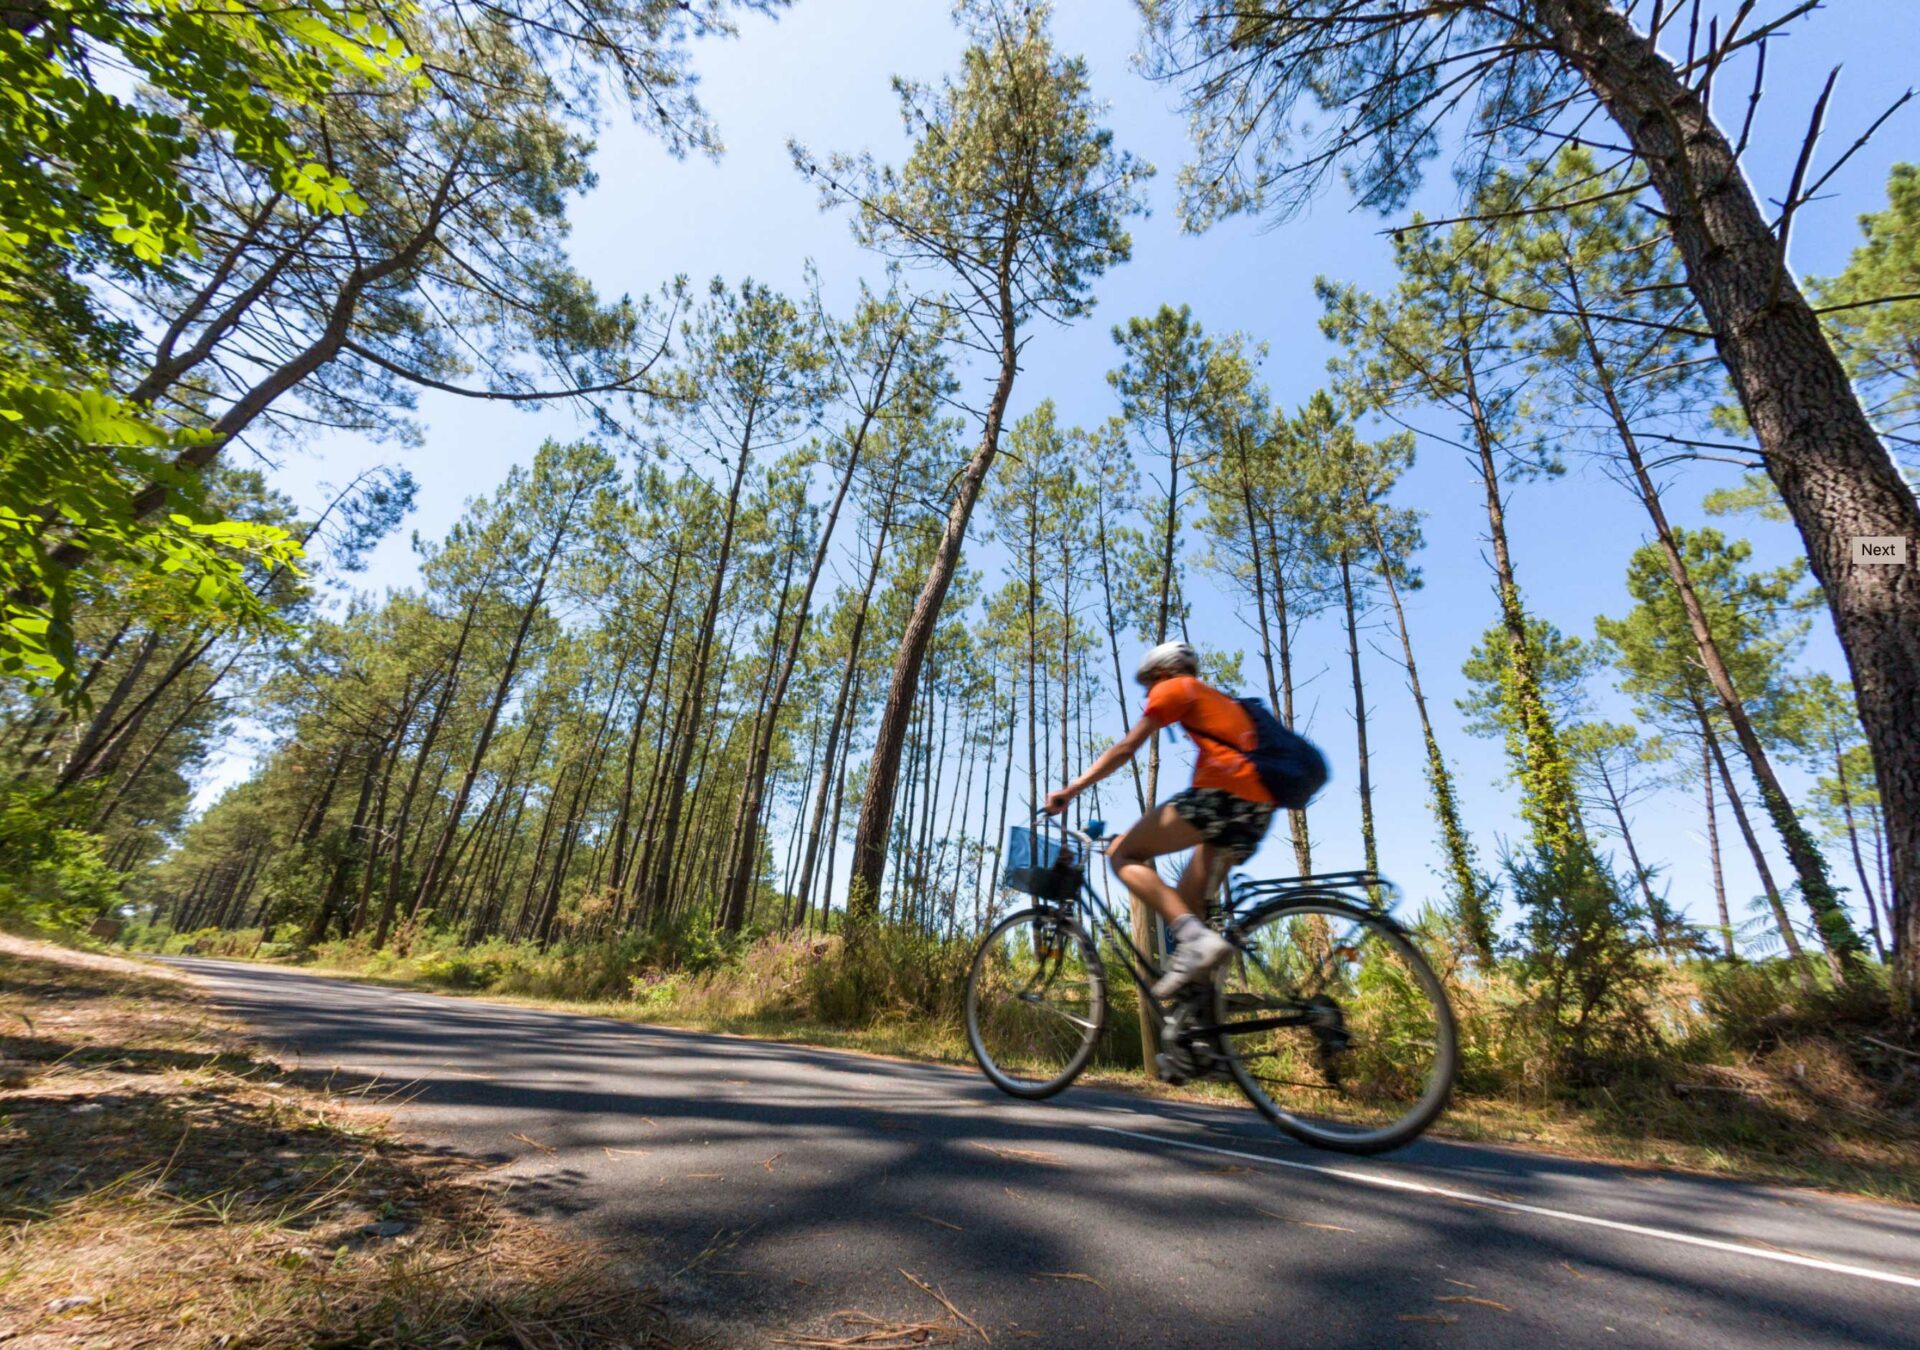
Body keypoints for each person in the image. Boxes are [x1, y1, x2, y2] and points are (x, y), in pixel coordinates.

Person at [1043, 641, 1279, 1000]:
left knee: (1122, 854)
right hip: (1258, 805)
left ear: (1163, 673)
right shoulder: (1219, 702)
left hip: (1222, 795)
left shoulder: (1175, 687)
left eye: (1149, 684)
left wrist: (1072, 789)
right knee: (1186, 901)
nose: (1150, 693)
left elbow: (1125, 749)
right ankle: (1200, 1027)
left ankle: (1196, 942)